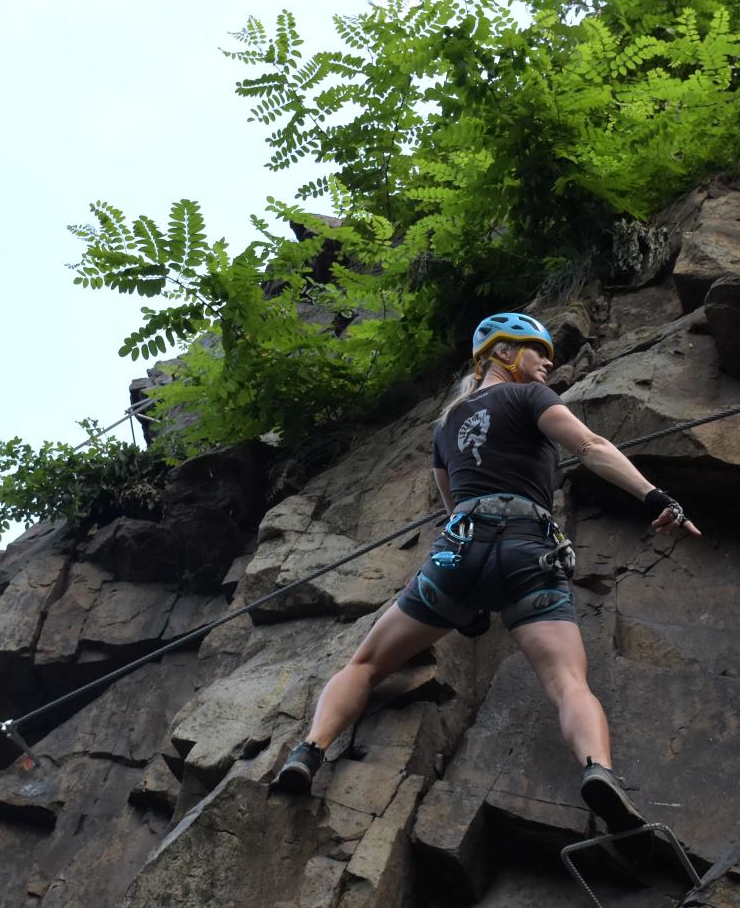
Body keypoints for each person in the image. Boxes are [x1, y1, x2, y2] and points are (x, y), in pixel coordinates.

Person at [271, 311, 700, 841]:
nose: (548, 362)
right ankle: (596, 769)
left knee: (365, 663)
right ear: (502, 353)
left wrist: (468, 599)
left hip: (457, 554)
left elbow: (450, 505)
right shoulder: (529, 399)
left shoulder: (444, 425)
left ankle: (308, 751)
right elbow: (589, 447)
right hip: (529, 552)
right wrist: (656, 497)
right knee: (567, 682)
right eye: (536, 351)